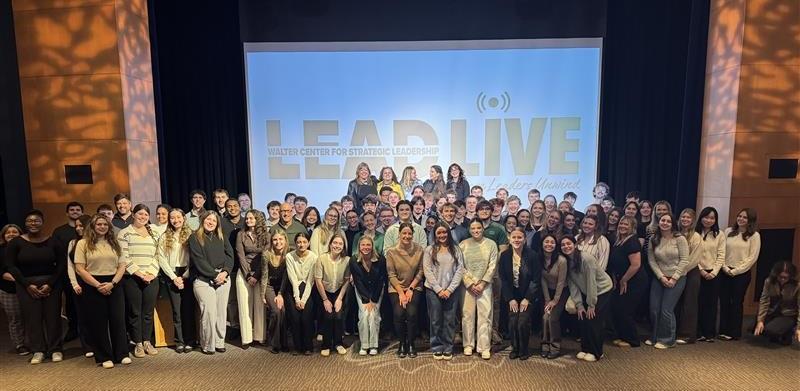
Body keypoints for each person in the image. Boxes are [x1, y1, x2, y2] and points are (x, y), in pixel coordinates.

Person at [5, 210, 66, 364]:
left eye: (37, 220)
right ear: (25, 224)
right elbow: (11, 266)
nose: (33, 223)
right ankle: (38, 350)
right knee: (33, 318)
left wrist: (50, 284)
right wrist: (27, 285)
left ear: (42, 222)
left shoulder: (53, 241)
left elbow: (61, 264)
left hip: (51, 284)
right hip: (26, 285)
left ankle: (55, 349)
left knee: (53, 318)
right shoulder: (16, 243)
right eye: (30, 221)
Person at [73, 214, 130, 368]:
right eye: (99, 224)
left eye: (105, 224)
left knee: (118, 320)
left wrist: (112, 283)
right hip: (92, 284)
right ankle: (104, 356)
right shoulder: (83, 243)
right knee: (98, 322)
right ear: (92, 226)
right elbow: (80, 269)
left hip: (114, 283)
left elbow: (122, 265)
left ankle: (122, 354)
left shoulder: (115, 242)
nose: (102, 227)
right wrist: (98, 285)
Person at [189, 211, 234, 355]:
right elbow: (199, 260)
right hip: (203, 279)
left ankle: (219, 342)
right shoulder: (194, 237)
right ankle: (208, 344)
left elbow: (230, 256)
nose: (211, 222)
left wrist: (225, 272)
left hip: (223, 278)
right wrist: (215, 275)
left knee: (221, 312)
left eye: (214, 221)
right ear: (203, 220)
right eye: (208, 219)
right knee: (209, 312)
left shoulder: (221, 236)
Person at [118, 204, 160, 358]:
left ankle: (147, 341)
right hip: (132, 278)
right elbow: (124, 257)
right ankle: (138, 343)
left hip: (151, 277)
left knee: (148, 312)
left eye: (146, 215)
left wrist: (151, 273)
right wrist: (140, 274)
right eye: (140, 214)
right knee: (135, 312)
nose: (143, 217)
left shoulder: (154, 233)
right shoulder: (124, 233)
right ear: (133, 215)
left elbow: (158, 255)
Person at [562, 235, 612, 362]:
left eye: (569, 243)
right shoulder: (567, 261)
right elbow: (573, 285)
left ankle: (596, 352)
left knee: (594, 320)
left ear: (575, 244)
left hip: (602, 289)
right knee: (583, 318)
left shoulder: (586, 258)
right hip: (587, 291)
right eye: (563, 245)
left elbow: (591, 282)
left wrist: (591, 304)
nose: (566, 246)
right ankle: (585, 348)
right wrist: (579, 304)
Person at [423, 222, 466, 360]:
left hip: (451, 291)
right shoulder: (429, 250)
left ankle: (448, 347)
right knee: (435, 320)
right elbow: (427, 270)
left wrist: (449, 289)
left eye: (444, 232)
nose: (442, 235)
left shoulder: (456, 249)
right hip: (433, 290)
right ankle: (436, 347)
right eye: (439, 233)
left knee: (449, 320)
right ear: (435, 234)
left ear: (448, 233)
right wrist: (438, 289)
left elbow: (460, 270)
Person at [156, 208, 196, 353]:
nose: (176, 220)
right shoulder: (164, 236)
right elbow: (161, 258)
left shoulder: (191, 234)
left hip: (187, 273)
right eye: (172, 217)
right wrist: (174, 277)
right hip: (171, 274)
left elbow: (195, 257)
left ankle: (190, 340)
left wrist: (184, 275)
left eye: (178, 217)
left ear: (183, 218)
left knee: (188, 309)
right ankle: (179, 341)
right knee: (176, 311)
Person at [647, 213, 689, 349]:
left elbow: (684, 260)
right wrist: (661, 277)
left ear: (673, 224)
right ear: (659, 222)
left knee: (666, 309)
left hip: (677, 278)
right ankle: (655, 337)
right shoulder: (654, 238)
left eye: (668, 221)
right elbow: (651, 260)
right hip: (660, 277)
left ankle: (668, 340)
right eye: (662, 220)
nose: (665, 223)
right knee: (654, 308)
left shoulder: (680, 239)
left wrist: (674, 278)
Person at [719, 208, 761, 341]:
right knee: (724, 301)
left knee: (736, 302)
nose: (741, 219)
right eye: (740, 216)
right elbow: (721, 251)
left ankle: (734, 332)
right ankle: (722, 330)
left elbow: (752, 258)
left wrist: (736, 271)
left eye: (745, 217)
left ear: (750, 221)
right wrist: (724, 267)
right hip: (725, 271)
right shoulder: (728, 231)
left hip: (741, 274)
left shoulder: (754, 236)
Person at [498, 227, 541, 360]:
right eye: (514, 237)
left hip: (528, 294)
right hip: (512, 294)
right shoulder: (505, 256)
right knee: (512, 321)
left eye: (519, 237)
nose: (517, 240)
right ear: (509, 239)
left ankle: (524, 349)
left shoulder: (533, 255)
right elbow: (503, 279)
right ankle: (515, 348)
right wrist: (510, 298)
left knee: (522, 321)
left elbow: (536, 279)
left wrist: (527, 298)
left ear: (525, 239)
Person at [459, 220, 498, 360]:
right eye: (473, 228)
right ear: (469, 230)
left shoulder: (491, 244)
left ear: (483, 229)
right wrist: (470, 283)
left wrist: (482, 283)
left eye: (478, 228)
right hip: (467, 285)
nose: (476, 230)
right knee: (467, 315)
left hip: (485, 285)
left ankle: (484, 347)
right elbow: (460, 266)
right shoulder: (463, 244)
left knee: (485, 315)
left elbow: (493, 265)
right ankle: (468, 345)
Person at [386, 223, 425, 358]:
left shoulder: (419, 250)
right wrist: (401, 293)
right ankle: (402, 343)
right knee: (399, 313)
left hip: (414, 286)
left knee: (411, 313)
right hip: (396, 287)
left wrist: (411, 289)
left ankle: (411, 343)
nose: (407, 236)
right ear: (399, 234)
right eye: (404, 233)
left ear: (413, 235)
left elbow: (421, 271)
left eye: (409, 233)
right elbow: (391, 275)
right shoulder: (391, 252)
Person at [608, 216, 646, 348]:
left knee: (626, 311)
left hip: (634, 281)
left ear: (632, 227)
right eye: (621, 223)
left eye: (626, 225)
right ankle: (623, 336)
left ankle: (632, 340)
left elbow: (636, 265)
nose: (622, 226)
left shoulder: (632, 241)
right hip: (622, 280)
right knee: (618, 308)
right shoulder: (619, 241)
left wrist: (624, 280)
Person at [235, 210, 269, 348]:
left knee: (260, 305)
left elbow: (266, 256)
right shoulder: (241, 234)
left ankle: (260, 337)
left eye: (251, 218)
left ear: (258, 219)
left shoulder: (266, 235)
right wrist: (248, 275)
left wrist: (256, 275)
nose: (248, 220)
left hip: (260, 273)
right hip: (244, 273)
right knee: (244, 305)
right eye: (247, 218)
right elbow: (240, 256)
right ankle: (246, 338)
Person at [314, 233, 351, 356]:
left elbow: (346, 280)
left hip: (339, 291)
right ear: (330, 244)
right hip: (324, 292)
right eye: (335, 243)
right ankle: (326, 345)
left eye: (340, 244)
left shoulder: (347, 260)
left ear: (344, 246)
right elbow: (318, 280)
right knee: (329, 317)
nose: (337, 246)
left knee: (339, 316)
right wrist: (325, 299)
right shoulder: (321, 259)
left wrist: (339, 298)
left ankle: (338, 343)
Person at [349, 235, 386, 356]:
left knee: (374, 314)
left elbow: (381, 280)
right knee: (364, 315)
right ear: (359, 247)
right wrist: (366, 300)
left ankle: (374, 345)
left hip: (376, 290)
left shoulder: (380, 259)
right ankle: (364, 345)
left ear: (372, 246)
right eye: (363, 245)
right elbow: (357, 281)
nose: (366, 247)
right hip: (361, 290)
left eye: (368, 245)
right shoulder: (354, 260)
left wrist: (373, 300)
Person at [694, 207, 726, 342]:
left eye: (712, 218)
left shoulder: (720, 234)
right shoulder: (695, 233)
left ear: (715, 220)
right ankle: (698, 332)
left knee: (712, 304)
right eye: (706, 217)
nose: (708, 220)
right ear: (701, 217)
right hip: (697, 271)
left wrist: (714, 272)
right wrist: (700, 270)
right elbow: (692, 254)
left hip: (714, 273)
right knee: (698, 302)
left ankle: (709, 333)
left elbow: (721, 255)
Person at [65, 214, 93, 357]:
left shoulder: (95, 242)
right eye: (76, 226)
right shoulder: (72, 243)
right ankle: (87, 346)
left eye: (81, 225)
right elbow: (70, 266)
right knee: (82, 316)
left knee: (96, 315)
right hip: (79, 283)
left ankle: (99, 344)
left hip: (94, 282)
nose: (78, 228)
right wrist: (74, 284)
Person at [285, 231, 317, 355]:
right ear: (295, 243)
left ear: (308, 243)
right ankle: (297, 346)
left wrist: (303, 300)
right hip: (293, 288)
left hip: (308, 288)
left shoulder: (313, 257)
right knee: (295, 317)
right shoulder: (289, 256)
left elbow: (310, 281)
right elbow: (293, 279)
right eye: (298, 242)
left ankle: (308, 346)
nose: (301, 245)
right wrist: (297, 299)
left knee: (306, 317)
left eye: (304, 242)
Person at [753, 262, 799, 345]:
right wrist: (760, 321)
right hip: (773, 311)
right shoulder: (769, 281)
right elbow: (764, 301)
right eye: (780, 277)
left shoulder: (797, 285)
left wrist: (799, 328)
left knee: (771, 330)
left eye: (785, 278)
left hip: (789, 314)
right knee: (754, 328)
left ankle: (788, 331)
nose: (782, 280)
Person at [0, 224, 28, 355]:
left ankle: (35, 342)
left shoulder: (25, 248)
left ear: (20, 234)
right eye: (8, 232)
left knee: (31, 316)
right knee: (15, 318)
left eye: (14, 232)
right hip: (8, 290)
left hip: (28, 288)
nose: (11, 234)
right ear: (3, 236)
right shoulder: (1, 250)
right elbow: (1, 272)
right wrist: (20, 280)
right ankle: (19, 344)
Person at [676, 208, 702, 344]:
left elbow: (694, 258)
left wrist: (681, 271)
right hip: (676, 272)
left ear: (693, 220)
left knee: (689, 303)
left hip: (690, 272)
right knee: (677, 302)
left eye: (688, 217)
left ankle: (687, 334)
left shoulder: (696, 236)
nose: (685, 219)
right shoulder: (676, 233)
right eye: (683, 217)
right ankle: (676, 331)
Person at [260, 231, 289, 353]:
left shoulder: (289, 255)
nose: (278, 242)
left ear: (285, 240)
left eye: (281, 239)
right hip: (269, 286)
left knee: (283, 311)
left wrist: (280, 294)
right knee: (276, 311)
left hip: (283, 286)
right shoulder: (266, 254)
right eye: (275, 239)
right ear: (271, 242)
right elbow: (264, 275)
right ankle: (274, 343)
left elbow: (286, 277)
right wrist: (262, 294)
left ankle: (284, 342)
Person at [539, 233, 567, 358]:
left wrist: (554, 301)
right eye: (546, 242)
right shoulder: (540, 258)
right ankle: (545, 345)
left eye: (552, 242)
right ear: (542, 244)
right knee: (545, 317)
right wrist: (547, 299)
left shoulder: (561, 260)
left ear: (556, 245)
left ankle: (555, 346)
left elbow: (561, 282)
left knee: (552, 318)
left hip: (561, 292)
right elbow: (543, 280)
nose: (549, 244)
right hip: (547, 292)